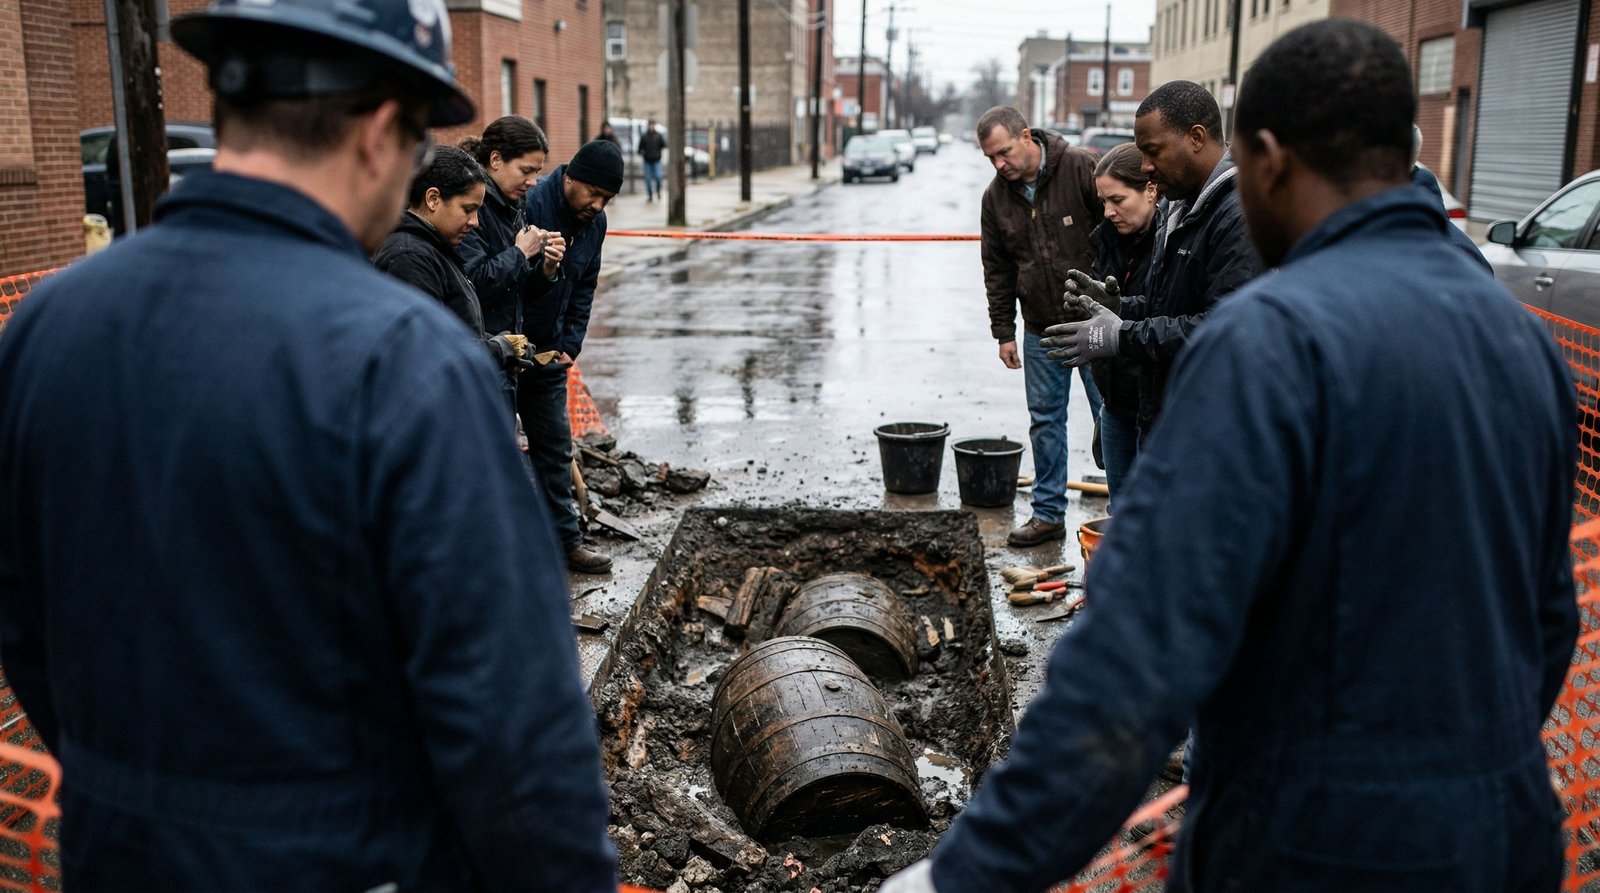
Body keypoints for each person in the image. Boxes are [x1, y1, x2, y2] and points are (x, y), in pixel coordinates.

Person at [882, 19, 1577, 893]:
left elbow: (1135, 660)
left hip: (1311, 850)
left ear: (1269, 160)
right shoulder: (1524, 346)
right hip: (1506, 837)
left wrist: (965, 875)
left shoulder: (1270, 345)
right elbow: (1549, 625)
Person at [0, 0, 618, 888]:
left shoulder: (46, 328)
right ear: (377, 134)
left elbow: (24, 622)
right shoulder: (407, 363)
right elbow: (514, 732)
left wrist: (140, 789)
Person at [1042, 82, 1261, 442]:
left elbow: (1224, 330)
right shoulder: (1181, 206)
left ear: (1196, 137)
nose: (1145, 167)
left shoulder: (1239, 213)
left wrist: (1119, 335)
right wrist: (1121, 307)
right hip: (1166, 417)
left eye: (1153, 151)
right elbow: (1174, 305)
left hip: (1206, 429)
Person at [976, 105, 1104, 547]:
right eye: (991, 158)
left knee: (1116, 417)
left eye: (1004, 152)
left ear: (1026, 136)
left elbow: (1120, 234)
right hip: (1041, 328)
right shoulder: (996, 198)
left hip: (1097, 322)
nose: (999, 164)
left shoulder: (1079, 168)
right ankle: (1048, 513)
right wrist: (1003, 332)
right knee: (1045, 421)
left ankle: (1130, 512)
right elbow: (997, 269)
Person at [520, 140, 623, 575]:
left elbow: (584, 288)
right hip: (506, 349)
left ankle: (567, 542)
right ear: (570, 178)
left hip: (550, 356)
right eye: (593, 194)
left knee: (556, 449)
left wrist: (571, 345)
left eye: (607, 199)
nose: (598, 205)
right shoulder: (529, 206)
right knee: (488, 452)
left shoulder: (593, 224)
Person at [373, 144, 533, 387]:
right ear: (433, 199)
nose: (475, 222)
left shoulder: (433, 248)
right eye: (468, 209)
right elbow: (428, 353)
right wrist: (498, 350)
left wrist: (494, 341)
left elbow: (452, 328)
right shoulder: (410, 258)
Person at [1086, 142, 1162, 501]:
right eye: (1103, 202)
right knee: (1121, 511)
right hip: (1114, 403)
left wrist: (1120, 307)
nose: (1108, 212)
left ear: (1150, 190)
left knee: (1152, 517)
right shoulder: (1108, 240)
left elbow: (1170, 311)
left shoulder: (1173, 240)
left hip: (1158, 408)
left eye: (1117, 200)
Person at [458, 116, 565, 343]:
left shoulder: (513, 202)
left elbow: (514, 289)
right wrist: (520, 252)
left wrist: (547, 268)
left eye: (536, 172)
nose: (533, 181)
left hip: (505, 349)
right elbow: (470, 288)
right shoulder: (473, 207)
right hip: (480, 349)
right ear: (496, 159)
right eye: (526, 171)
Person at [638, 119, 666, 202]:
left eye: (653, 125)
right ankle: (650, 195)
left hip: (656, 161)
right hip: (647, 161)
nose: (651, 126)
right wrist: (643, 154)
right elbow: (639, 149)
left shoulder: (658, 136)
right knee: (648, 180)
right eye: (650, 125)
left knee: (658, 177)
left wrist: (659, 152)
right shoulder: (644, 136)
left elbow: (664, 145)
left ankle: (658, 191)